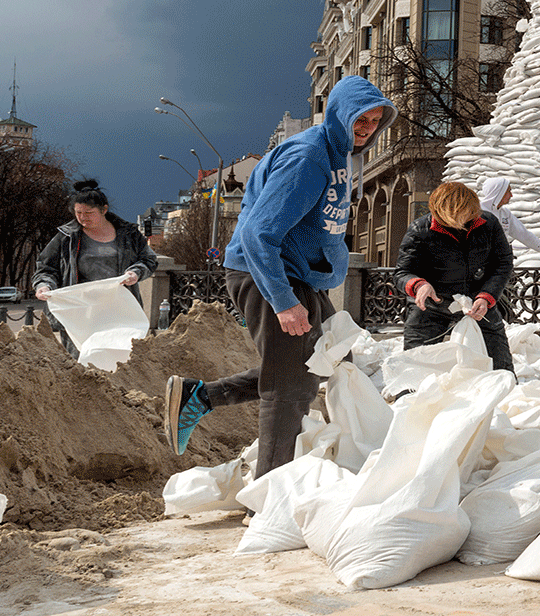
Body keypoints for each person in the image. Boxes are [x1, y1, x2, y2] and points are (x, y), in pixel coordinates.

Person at [165, 75, 394, 472]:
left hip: (299, 275)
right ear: (340, 114)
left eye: (375, 121)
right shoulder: (307, 158)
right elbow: (259, 233)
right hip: (269, 275)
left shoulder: (338, 154)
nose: (367, 128)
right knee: (290, 388)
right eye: (360, 119)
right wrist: (284, 301)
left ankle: (199, 397)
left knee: (332, 361)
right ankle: (270, 489)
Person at [396, 182, 518, 373]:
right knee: (416, 366)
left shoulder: (488, 224)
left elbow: (503, 263)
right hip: (432, 306)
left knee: (501, 367)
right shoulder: (420, 230)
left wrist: (487, 296)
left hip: (478, 302)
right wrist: (419, 285)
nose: (470, 216)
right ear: (447, 212)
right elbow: (402, 272)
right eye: (464, 212)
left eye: (472, 211)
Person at [31, 179, 159, 301]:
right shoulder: (66, 236)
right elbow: (46, 268)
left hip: (119, 304)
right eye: (78, 212)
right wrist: (44, 285)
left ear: (104, 210)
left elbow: (149, 260)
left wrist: (136, 272)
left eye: (89, 213)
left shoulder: (129, 234)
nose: (82, 217)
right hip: (78, 305)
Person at [478, 177, 540, 264]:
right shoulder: (477, 212)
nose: (511, 195)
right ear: (499, 192)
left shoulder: (505, 214)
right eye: (508, 191)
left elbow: (524, 235)